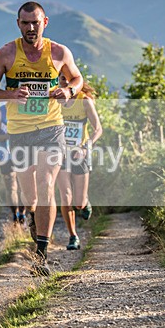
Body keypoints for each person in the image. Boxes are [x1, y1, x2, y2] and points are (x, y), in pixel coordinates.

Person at [0, 1, 83, 275]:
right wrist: (11, 95)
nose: (30, 28)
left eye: (35, 23)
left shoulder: (59, 52)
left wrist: (69, 92)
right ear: (18, 24)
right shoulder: (6, 53)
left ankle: (41, 254)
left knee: (47, 182)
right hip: (20, 132)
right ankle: (35, 233)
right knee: (31, 196)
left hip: (51, 127)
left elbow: (77, 79)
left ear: (45, 22)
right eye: (25, 23)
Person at [57, 75, 102, 250]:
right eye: (62, 80)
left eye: (69, 80)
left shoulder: (84, 102)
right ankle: (72, 236)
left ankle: (85, 203)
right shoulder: (55, 101)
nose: (65, 83)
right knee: (65, 197)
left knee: (78, 203)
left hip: (79, 154)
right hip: (59, 155)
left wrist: (85, 147)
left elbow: (98, 129)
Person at [0, 105, 25, 223]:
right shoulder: (0, 113)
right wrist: (8, 136)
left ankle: (22, 216)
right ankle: (15, 216)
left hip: (24, 154)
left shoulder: (28, 109)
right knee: (11, 187)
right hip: (6, 155)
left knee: (24, 187)